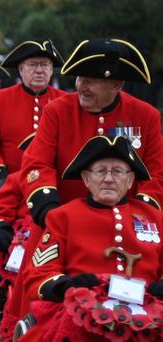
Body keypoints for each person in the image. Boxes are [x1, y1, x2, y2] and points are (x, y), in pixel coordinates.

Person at [19, 135, 163, 342]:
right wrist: (66, 283)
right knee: (79, 329)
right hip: (80, 305)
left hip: (148, 304)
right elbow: (40, 272)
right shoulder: (63, 217)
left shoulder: (154, 218)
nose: (109, 178)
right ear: (85, 179)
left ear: (130, 180)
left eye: (118, 171)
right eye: (100, 171)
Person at [21, 38, 163, 227]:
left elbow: (156, 175)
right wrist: (50, 211)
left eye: (89, 81)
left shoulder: (146, 116)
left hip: (126, 225)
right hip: (64, 222)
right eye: (79, 78)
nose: (80, 86)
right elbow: (37, 164)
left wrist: (141, 215)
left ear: (117, 85)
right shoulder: (57, 111)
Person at [0, 40, 65, 295]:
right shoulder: (0, 100)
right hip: (9, 186)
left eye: (45, 65)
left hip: (52, 190)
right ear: (21, 69)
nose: (40, 70)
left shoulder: (65, 102)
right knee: (2, 245)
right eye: (33, 65)